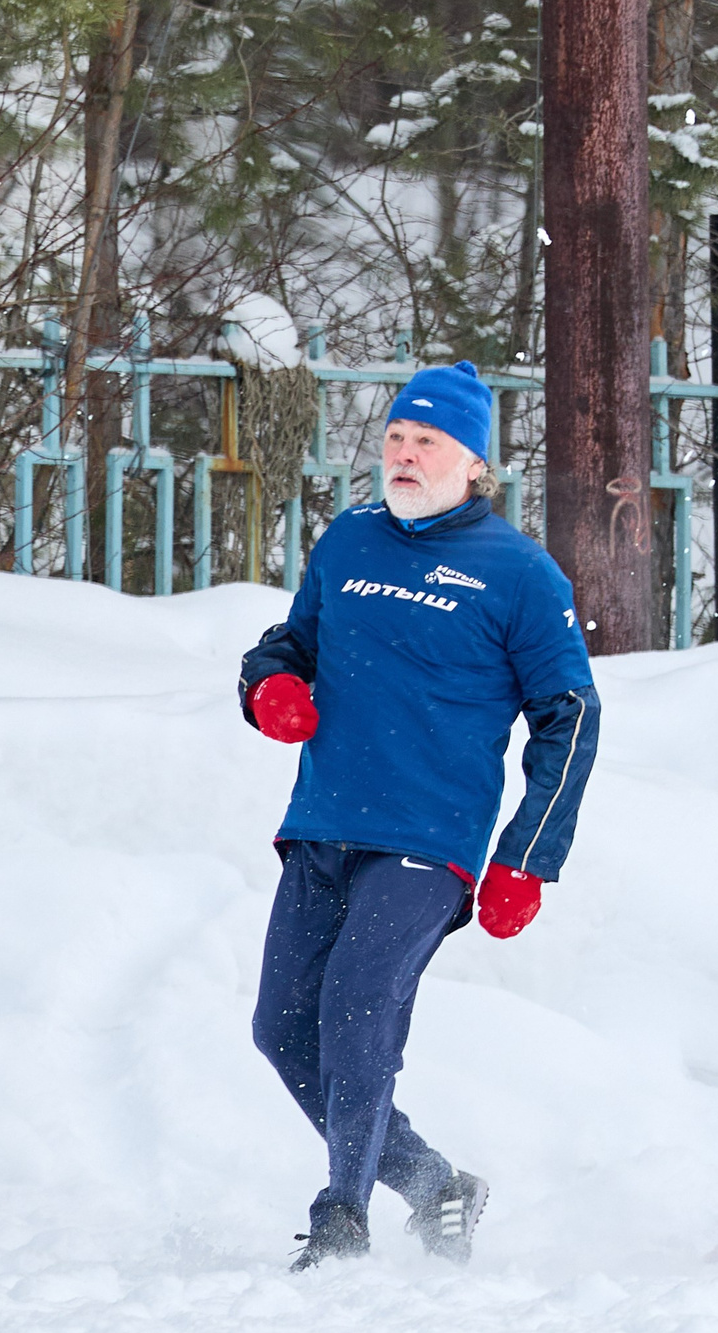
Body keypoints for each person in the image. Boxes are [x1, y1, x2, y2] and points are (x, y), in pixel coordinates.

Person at [240, 360, 597, 1271]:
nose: (403, 454)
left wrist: (528, 857)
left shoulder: (518, 574)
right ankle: (437, 1185)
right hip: (323, 822)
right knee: (281, 1027)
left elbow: (572, 715)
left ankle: (342, 1216)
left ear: (473, 462)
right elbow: (290, 642)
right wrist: (270, 685)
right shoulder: (350, 542)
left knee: (358, 1005)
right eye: (395, 438)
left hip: (429, 840)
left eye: (426, 442)